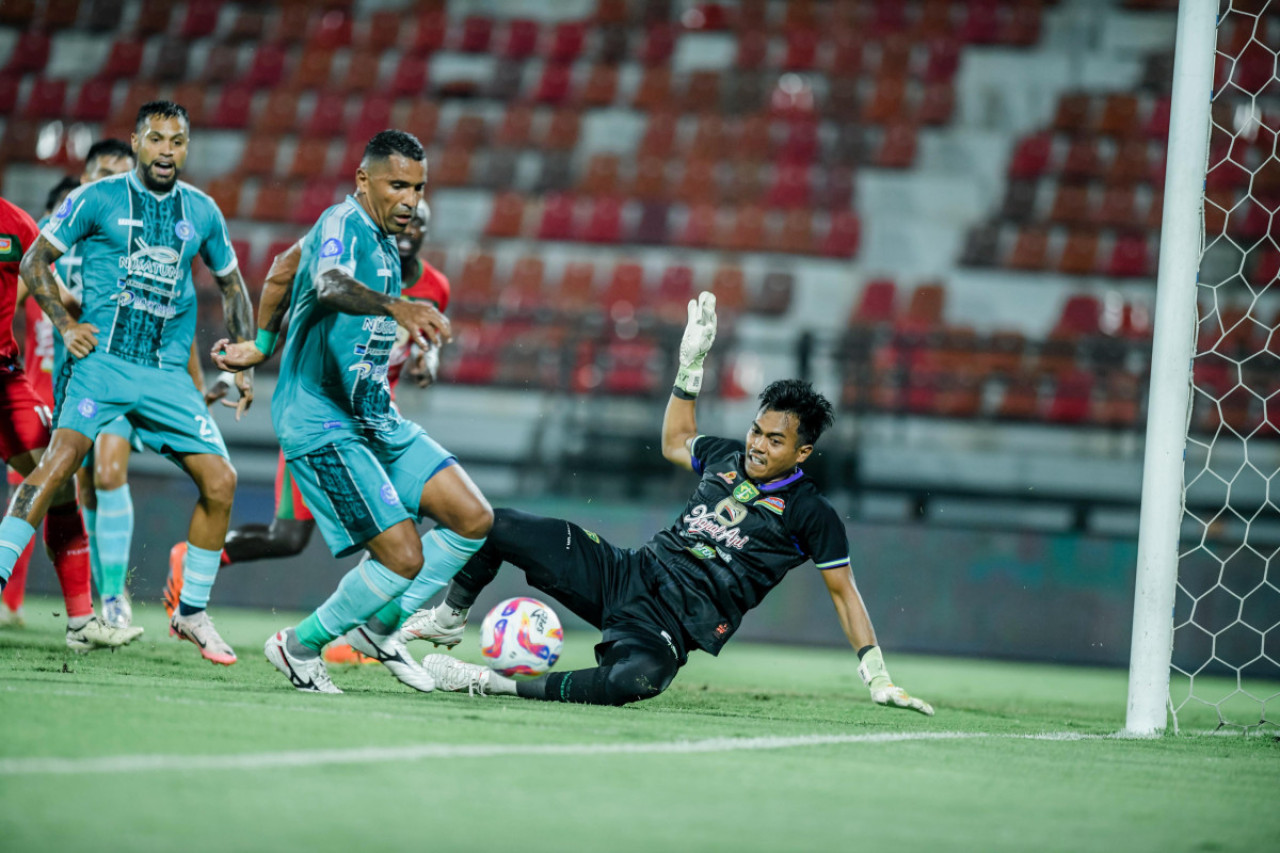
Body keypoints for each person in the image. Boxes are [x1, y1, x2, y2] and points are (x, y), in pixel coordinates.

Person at [412, 293, 934, 715]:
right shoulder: (727, 456)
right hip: (625, 574)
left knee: (637, 680)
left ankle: (490, 684)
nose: (756, 444)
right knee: (496, 523)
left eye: (774, 440)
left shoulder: (809, 513)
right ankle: (451, 617)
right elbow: (674, 442)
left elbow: (845, 594)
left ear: (802, 452)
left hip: (670, 627)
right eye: (756, 429)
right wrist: (691, 367)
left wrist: (877, 674)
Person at [212, 130, 491, 695]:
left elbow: (284, 268)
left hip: (374, 417)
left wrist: (265, 340)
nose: (410, 200)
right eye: (397, 185)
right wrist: (395, 306)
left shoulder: (387, 238)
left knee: (473, 517)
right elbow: (325, 280)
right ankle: (299, 646)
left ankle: (380, 629)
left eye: (418, 187)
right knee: (403, 556)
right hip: (321, 419)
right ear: (363, 181)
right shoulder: (342, 224)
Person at [2, 100, 255, 665]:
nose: (167, 150)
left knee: (221, 481)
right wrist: (66, 325)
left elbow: (233, 285)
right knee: (61, 464)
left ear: (187, 148)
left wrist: (243, 359)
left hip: (166, 374)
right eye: (157, 139)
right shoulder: (97, 198)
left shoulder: (203, 211)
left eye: (178, 141)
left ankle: (190, 612)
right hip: (104, 363)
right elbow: (34, 261)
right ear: (137, 142)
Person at [165, 200, 453, 668]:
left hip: (380, 416)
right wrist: (256, 351)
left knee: (402, 521)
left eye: (420, 217)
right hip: (324, 414)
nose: (409, 226)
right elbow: (292, 287)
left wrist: (427, 360)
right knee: (290, 538)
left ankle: (363, 632)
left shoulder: (434, 286)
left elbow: (424, 341)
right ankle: (201, 556)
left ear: (425, 230)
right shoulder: (346, 257)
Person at [0, 193, 141, 651]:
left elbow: (56, 292)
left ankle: (81, 621)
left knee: (58, 480)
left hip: (4, 381)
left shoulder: (15, 225)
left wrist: (94, 325)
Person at [1, 176, 79, 627]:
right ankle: (12, 602)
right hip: (31, 392)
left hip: (72, 398)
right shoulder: (34, 269)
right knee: (36, 489)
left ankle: (99, 602)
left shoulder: (85, 268)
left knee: (82, 490)